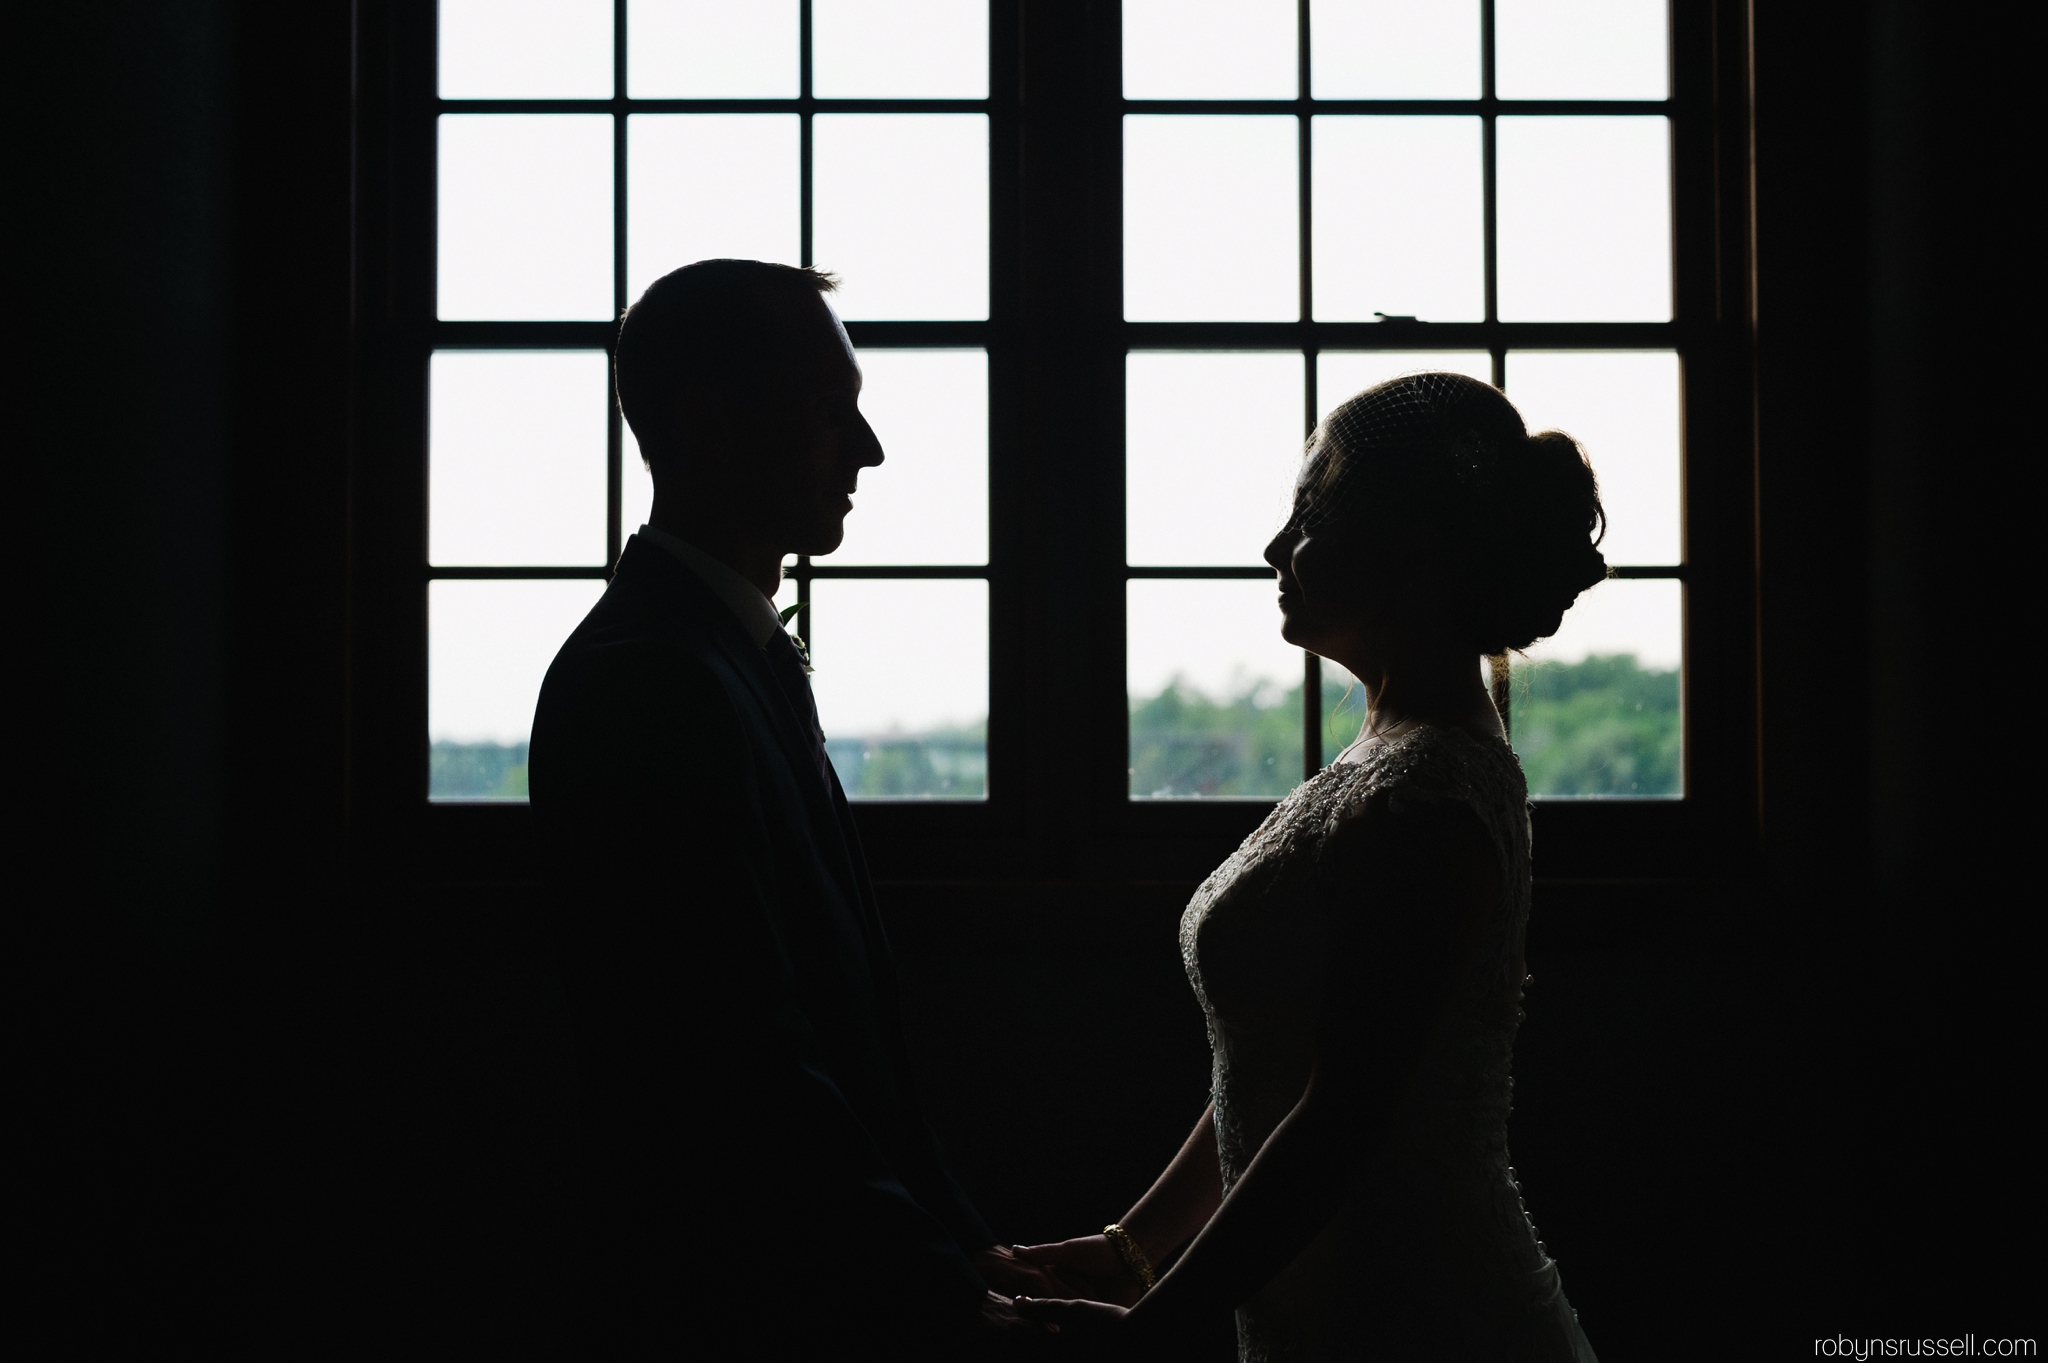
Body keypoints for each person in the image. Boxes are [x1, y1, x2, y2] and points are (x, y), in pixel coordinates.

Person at [1009, 373, 1607, 1361]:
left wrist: (1146, 1331)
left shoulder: (1430, 796)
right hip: (1317, 1295)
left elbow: (1343, 1115)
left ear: (1408, 549)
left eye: (1310, 514)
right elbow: (1279, 1061)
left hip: (1418, 1309)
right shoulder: (1386, 755)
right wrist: (1132, 1249)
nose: (1275, 549)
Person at [529, 259, 1050, 1356]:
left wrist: (957, 1240)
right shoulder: (648, 681)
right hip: (745, 1304)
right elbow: (733, 1057)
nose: (865, 450)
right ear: (711, 422)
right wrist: (936, 1284)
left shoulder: (710, 655)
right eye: (831, 410)